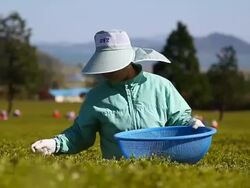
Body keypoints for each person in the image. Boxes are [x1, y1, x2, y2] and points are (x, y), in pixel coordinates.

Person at [31, 30, 205, 158]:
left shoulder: (161, 86)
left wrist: (191, 123)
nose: (106, 71)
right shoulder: (95, 96)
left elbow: (178, 120)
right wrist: (56, 144)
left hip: (161, 168)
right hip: (117, 172)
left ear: (128, 60)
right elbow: (80, 134)